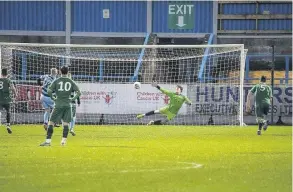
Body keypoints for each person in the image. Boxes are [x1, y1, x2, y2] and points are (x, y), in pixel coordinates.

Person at [40, 66, 81, 146]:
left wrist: (53, 98)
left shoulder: (57, 81)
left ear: (60, 72)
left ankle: (48, 142)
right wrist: (72, 98)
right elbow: (79, 92)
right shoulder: (71, 81)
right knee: (66, 124)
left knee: (51, 122)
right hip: (67, 105)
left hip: (58, 104)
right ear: (67, 71)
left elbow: (49, 90)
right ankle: (63, 141)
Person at [0, 68, 17, 134]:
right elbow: (13, 88)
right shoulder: (8, 80)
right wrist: (15, 95)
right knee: (8, 112)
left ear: (1, 73)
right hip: (7, 99)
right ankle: (8, 125)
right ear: (7, 74)